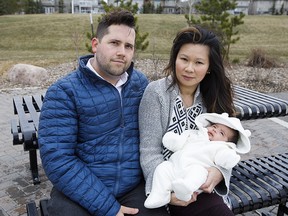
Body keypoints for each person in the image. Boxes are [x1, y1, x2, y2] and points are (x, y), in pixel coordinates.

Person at [38, 9, 170, 216]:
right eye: (114, 43)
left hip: (132, 186)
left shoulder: (140, 84)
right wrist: (109, 208)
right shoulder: (64, 92)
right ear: (95, 44)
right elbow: (58, 159)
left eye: (128, 46)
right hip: (80, 190)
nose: (122, 52)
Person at [139, 26, 238, 216]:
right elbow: (149, 151)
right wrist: (169, 192)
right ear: (175, 58)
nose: (189, 68)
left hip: (202, 184)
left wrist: (220, 173)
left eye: (199, 62)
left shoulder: (214, 97)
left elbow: (231, 145)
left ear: (209, 67)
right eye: (184, 59)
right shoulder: (156, 93)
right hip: (168, 182)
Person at [144, 113, 251, 208]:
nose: (214, 130)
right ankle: (160, 195)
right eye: (214, 126)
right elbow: (180, 142)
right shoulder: (195, 134)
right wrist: (174, 141)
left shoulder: (220, 147)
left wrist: (228, 160)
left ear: (228, 143)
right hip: (174, 167)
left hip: (196, 170)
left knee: (198, 173)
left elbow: (224, 159)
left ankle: (185, 190)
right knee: (163, 168)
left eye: (221, 133)